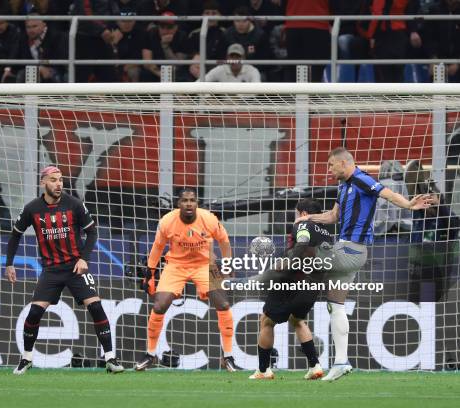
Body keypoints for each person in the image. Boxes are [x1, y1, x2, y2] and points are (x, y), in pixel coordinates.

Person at [295, 147, 432, 381]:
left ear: (343, 163)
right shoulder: (343, 186)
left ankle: (283, 281)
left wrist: (409, 205)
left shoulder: (361, 179)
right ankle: (341, 362)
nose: (329, 170)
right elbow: (332, 217)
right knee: (335, 305)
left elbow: (386, 193)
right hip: (347, 250)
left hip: (351, 250)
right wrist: (308, 218)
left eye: (331, 165)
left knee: (302, 252)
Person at [5, 166, 124, 374]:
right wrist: (9, 263)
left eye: (60, 180)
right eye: (53, 180)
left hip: (75, 267)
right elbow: (15, 234)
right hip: (51, 270)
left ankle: (111, 358)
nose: (58, 184)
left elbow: (92, 233)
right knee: (34, 312)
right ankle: (26, 358)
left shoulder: (75, 204)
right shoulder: (32, 208)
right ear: (43, 183)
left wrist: (84, 259)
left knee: (96, 307)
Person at [134, 187, 238, 372]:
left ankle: (228, 356)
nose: (189, 204)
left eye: (192, 200)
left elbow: (224, 241)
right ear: (178, 204)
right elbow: (157, 247)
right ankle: (150, 354)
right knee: (159, 306)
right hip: (176, 265)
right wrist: (149, 273)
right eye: (185, 200)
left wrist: (228, 265)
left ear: (197, 203)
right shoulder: (167, 221)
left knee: (223, 304)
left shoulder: (209, 219)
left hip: (206, 264)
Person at [250, 198, 331, 380]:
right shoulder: (326, 233)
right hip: (313, 284)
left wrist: (289, 261)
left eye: (296, 213)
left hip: (292, 279)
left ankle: (263, 370)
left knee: (266, 320)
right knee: (298, 320)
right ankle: (314, 366)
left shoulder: (303, 224)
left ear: (303, 213)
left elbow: (302, 244)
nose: (296, 217)